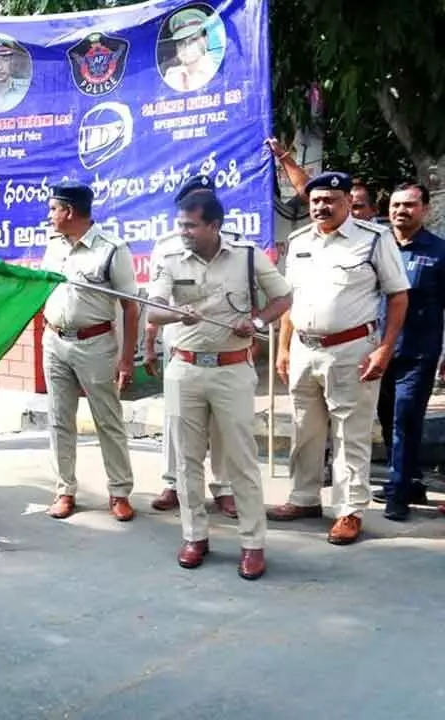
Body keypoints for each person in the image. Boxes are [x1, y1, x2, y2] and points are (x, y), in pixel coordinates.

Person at [148, 191, 293, 579]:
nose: (184, 232)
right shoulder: (171, 258)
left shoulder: (247, 256)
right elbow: (153, 309)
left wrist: (259, 322)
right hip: (185, 370)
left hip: (233, 370)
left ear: (214, 225)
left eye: (192, 225)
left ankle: (252, 544)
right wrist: (176, 313)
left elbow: (283, 297)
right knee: (187, 460)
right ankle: (195, 536)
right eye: (181, 224)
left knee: (242, 460)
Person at [268, 172, 410, 545]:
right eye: (315, 200)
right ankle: (304, 498)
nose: (321, 206)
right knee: (304, 428)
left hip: (352, 349)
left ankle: (349, 510)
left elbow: (398, 297)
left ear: (349, 201)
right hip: (303, 348)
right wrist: (283, 347)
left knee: (351, 433)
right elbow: (289, 299)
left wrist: (384, 348)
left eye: (330, 199)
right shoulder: (299, 241)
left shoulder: (374, 239)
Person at [39, 181, 139, 521]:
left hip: (96, 345)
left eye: (54, 209)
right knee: (58, 419)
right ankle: (64, 490)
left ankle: (120, 492)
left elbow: (131, 307)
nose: (49, 215)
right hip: (54, 342)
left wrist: (127, 358)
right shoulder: (53, 245)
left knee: (107, 420)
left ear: (69, 211)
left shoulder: (111, 249)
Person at [146, 176, 237, 517]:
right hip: (179, 346)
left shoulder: (236, 245)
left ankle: (224, 488)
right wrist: (149, 341)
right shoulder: (166, 246)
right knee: (176, 418)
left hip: (223, 347)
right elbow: (155, 302)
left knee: (221, 422)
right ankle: (172, 482)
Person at [372, 182, 445, 520]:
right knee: (388, 421)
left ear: (424, 210)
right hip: (378, 352)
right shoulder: (377, 246)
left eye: (409, 205)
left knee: (405, 419)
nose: (401, 211)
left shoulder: (438, 252)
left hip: (418, 353)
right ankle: (408, 480)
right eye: (396, 205)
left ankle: (398, 494)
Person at [162, 8, 219, 92]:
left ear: (205, 39)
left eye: (193, 40)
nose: (186, 46)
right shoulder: (171, 75)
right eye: (181, 42)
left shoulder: (216, 71)